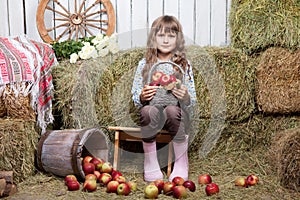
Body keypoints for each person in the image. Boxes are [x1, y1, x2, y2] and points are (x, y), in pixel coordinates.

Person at [131, 15, 197, 182]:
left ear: (178, 39)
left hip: (175, 115)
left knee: (172, 110)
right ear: (154, 38)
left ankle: (181, 161)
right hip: (153, 112)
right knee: (146, 111)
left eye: (171, 36)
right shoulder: (145, 65)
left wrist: (185, 96)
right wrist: (142, 95)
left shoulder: (183, 65)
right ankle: (150, 161)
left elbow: (192, 100)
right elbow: (136, 94)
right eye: (161, 35)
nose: (166, 40)